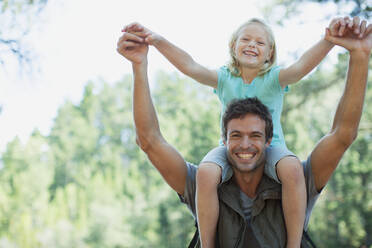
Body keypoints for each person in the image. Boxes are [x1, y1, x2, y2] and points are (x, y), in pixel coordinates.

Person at [117, 17, 371, 247]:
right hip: (224, 159)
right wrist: (156, 42)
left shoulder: (273, 78)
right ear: (233, 46)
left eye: (260, 42)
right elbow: (189, 67)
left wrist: (332, 42)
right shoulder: (225, 78)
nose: (252, 45)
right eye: (246, 39)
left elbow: (305, 72)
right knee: (206, 171)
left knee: (292, 168)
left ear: (270, 53)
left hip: (276, 151)